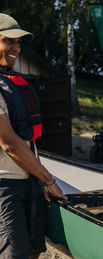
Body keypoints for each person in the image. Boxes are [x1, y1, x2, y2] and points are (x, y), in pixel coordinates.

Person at [0, 13, 67, 259]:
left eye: (19, 42)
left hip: (30, 184)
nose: (17, 47)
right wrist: (49, 181)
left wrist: (39, 181)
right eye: (9, 41)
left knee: (33, 253)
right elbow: (10, 144)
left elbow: (28, 144)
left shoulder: (11, 83)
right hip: (5, 187)